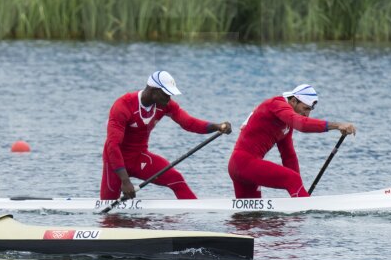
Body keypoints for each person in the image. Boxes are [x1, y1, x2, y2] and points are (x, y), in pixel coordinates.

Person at [102, 71, 232, 201]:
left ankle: (196, 216)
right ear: (153, 90)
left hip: (139, 157)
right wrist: (125, 181)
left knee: (176, 179)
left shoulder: (165, 105)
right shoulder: (123, 105)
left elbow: (189, 123)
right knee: (108, 210)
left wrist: (217, 127)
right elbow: (113, 145)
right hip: (115, 162)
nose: (169, 99)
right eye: (166, 94)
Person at [228, 85, 356, 199]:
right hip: (244, 163)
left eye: (309, 110)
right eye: (305, 109)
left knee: (249, 220)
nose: (307, 115)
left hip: (243, 167)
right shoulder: (276, 104)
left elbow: (288, 156)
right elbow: (301, 124)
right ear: (293, 101)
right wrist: (337, 125)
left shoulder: (286, 123)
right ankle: (305, 215)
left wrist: (299, 189)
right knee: (292, 179)